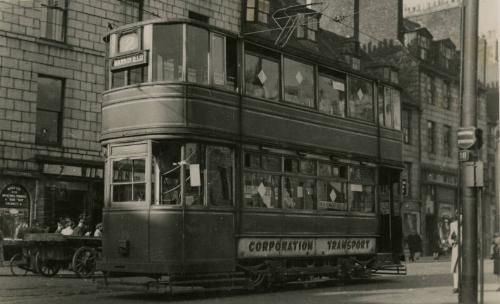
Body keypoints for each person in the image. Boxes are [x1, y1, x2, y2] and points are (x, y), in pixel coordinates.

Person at [448, 212, 460, 294]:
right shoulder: (453, 224)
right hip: (456, 248)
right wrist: (452, 241)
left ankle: (462, 285)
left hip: (465, 249)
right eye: (458, 215)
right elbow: (450, 237)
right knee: (455, 268)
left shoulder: (469, 223)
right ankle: (455, 286)